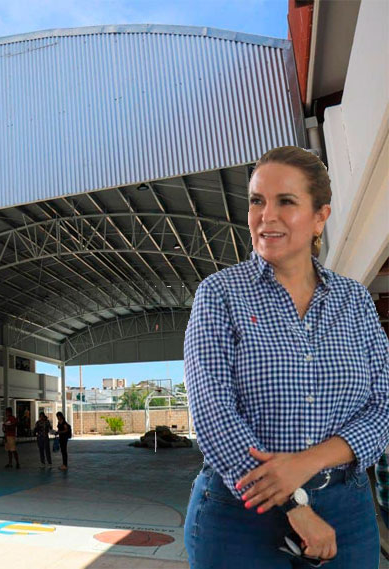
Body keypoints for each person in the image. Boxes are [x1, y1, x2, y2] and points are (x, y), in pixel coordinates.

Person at [183, 146, 388, 568]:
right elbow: (213, 413)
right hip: (239, 515)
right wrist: (296, 505)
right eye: (257, 200)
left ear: (320, 217)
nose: (266, 215)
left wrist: (307, 464)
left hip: (345, 510)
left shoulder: (354, 301)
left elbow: (383, 404)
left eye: (286, 202)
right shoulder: (220, 295)